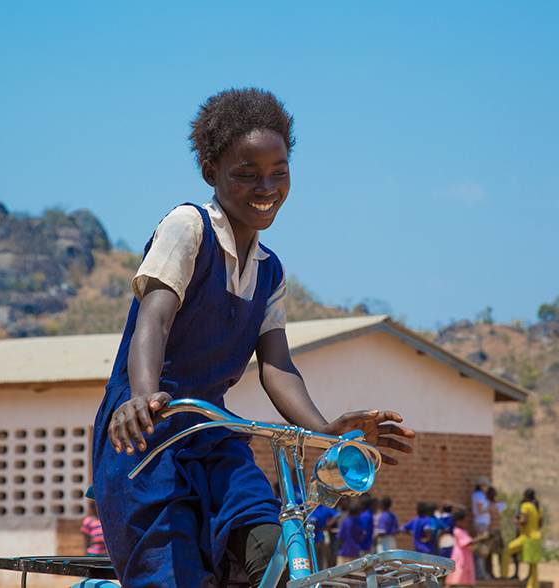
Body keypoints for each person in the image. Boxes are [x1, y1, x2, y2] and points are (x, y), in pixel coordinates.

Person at [91, 88, 416, 588]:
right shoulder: (188, 228)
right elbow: (151, 321)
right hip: (149, 429)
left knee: (273, 549)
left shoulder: (271, 270)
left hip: (214, 432)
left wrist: (330, 432)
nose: (266, 186)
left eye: (279, 171)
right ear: (210, 171)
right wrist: (141, 397)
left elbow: (277, 368)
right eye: (246, 173)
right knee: (170, 571)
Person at [503, 489, 544, 588]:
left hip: (526, 537)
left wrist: (517, 521)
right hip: (536, 538)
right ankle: (533, 585)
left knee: (506, 551)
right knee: (533, 564)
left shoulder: (525, 506)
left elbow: (524, 521)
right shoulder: (538, 508)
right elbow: (540, 524)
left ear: (526, 496)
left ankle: (504, 576)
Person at [445, 511, 480, 587]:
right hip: (460, 557)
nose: (466, 524)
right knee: (456, 577)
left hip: (466, 556)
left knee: (467, 577)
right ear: (458, 521)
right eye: (464, 522)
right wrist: (479, 539)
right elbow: (467, 542)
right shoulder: (457, 531)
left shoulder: (464, 531)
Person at [470, 476, 492, 579]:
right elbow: (480, 510)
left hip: (483, 524)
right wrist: (491, 509)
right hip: (481, 524)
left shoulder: (481, 495)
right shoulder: (479, 495)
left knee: (482, 549)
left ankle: (481, 572)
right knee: (481, 549)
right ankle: (481, 573)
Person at [483, 486, 507, 578]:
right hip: (490, 531)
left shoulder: (497, 504)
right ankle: (490, 573)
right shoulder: (487, 504)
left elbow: (503, 507)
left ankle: (502, 573)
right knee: (489, 553)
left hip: (497, 530)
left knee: (500, 552)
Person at [309, 504, 339, 570]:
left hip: (315, 537)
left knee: (315, 558)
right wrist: (327, 526)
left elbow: (313, 523)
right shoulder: (323, 508)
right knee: (323, 558)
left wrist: (327, 526)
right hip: (321, 536)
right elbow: (337, 515)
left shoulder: (312, 508)